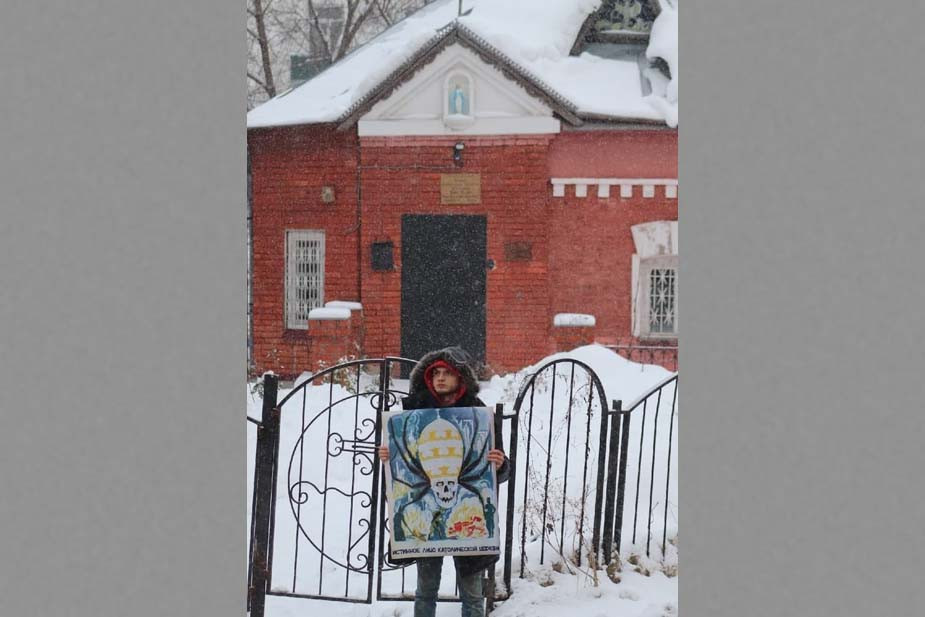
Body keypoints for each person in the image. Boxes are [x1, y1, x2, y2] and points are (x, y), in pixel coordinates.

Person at [378, 346, 510, 617]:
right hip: (428, 520)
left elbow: (496, 471)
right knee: (425, 589)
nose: (440, 378)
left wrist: (500, 463)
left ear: (460, 377)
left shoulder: (478, 414)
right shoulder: (413, 412)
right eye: (435, 372)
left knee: (473, 593)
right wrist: (390, 456)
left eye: (446, 373)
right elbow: (402, 469)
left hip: (468, 521)